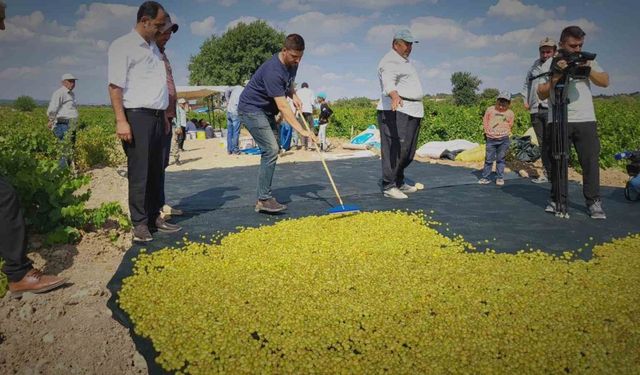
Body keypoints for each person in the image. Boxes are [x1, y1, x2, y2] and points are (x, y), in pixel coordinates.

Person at [0, 2, 68, 298]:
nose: (3, 27)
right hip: (62, 125)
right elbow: (52, 112)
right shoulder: (57, 94)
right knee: (5, 198)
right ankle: (17, 275)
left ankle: (17, 272)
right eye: (0, 18)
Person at [108, 1, 181, 242]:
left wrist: (165, 116)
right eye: (158, 25)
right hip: (137, 116)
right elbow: (115, 86)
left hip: (158, 117)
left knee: (156, 170)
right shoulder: (123, 46)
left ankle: (154, 217)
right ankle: (139, 223)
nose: (161, 30)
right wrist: (121, 120)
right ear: (144, 21)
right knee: (140, 172)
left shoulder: (154, 49)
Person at [237, 34, 315, 213]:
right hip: (251, 109)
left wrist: (293, 95)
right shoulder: (273, 70)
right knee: (271, 149)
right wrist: (301, 130)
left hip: (266, 111)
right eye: (294, 57)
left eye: (300, 57)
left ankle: (263, 195)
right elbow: (282, 107)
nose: (297, 61)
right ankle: (264, 199)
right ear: (284, 50)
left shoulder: (292, 65)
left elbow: (287, 85)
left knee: (273, 149)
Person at [537, 25, 609, 219]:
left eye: (580, 45)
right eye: (573, 46)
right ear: (561, 44)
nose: (577, 49)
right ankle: (557, 200)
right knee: (558, 161)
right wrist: (557, 76)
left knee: (590, 161)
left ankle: (593, 202)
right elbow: (541, 93)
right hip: (559, 118)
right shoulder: (550, 62)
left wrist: (588, 70)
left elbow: (605, 81)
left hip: (586, 118)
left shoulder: (586, 59)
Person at [376, 29, 425, 199]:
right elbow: (388, 81)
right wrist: (394, 95)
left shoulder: (405, 62)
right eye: (406, 44)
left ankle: (399, 181)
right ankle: (389, 185)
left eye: (411, 44)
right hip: (396, 110)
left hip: (413, 110)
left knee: (408, 151)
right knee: (394, 149)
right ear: (395, 44)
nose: (409, 47)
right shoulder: (389, 61)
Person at [156, 13, 183, 221]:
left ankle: (160, 203)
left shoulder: (163, 54)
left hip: (168, 115)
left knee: (162, 163)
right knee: (154, 164)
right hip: (158, 115)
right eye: (165, 32)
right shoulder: (151, 55)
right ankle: (153, 209)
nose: (168, 36)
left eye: (170, 33)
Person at [523, 37, 556, 183]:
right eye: (543, 52)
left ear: (554, 51)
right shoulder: (534, 66)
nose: (545, 55)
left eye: (548, 52)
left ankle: (557, 174)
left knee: (553, 142)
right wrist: (526, 100)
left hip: (551, 108)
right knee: (543, 143)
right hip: (536, 109)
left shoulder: (557, 65)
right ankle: (547, 173)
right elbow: (526, 84)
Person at [478, 91, 515, 186]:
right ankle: (485, 177)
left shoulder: (510, 113)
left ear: (508, 104)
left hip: (503, 140)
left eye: (504, 104)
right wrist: (487, 131)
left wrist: (504, 132)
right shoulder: (490, 110)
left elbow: (510, 124)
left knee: (501, 159)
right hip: (491, 139)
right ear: (497, 101)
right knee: (489, 159)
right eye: (500, 103)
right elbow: (485, 121)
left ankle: (500, 178)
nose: (501, 106)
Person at [47, 73, 79, 167]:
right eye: (70, 81)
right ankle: (62, 172)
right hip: (63, 124)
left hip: (71, 123)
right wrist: (51, 120)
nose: (72, 83)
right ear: (64, 82)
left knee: (70, 148)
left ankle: (68, 170)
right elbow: (53, 109)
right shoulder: (59, 93)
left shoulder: (71, 94)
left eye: (73, 81)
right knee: (65, 148)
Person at [226, 80, 247, 154]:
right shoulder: (245, 91)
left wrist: (228, 101)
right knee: (236, 132)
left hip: (228, 111)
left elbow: (227, 90)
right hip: (235, 112)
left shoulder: (237, 87)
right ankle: (236, 150)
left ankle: (229, 150)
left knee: (229, 132)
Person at [296, 82, 316, 149]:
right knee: (311, 126)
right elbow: (312, 102)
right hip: (308, 111)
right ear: (307, 86)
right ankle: (312, 143)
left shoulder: (298, 91)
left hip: (301, 111)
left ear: (302, 87)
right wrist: (314, 109)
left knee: (302, 128)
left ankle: (304, 145)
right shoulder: (310, 91)